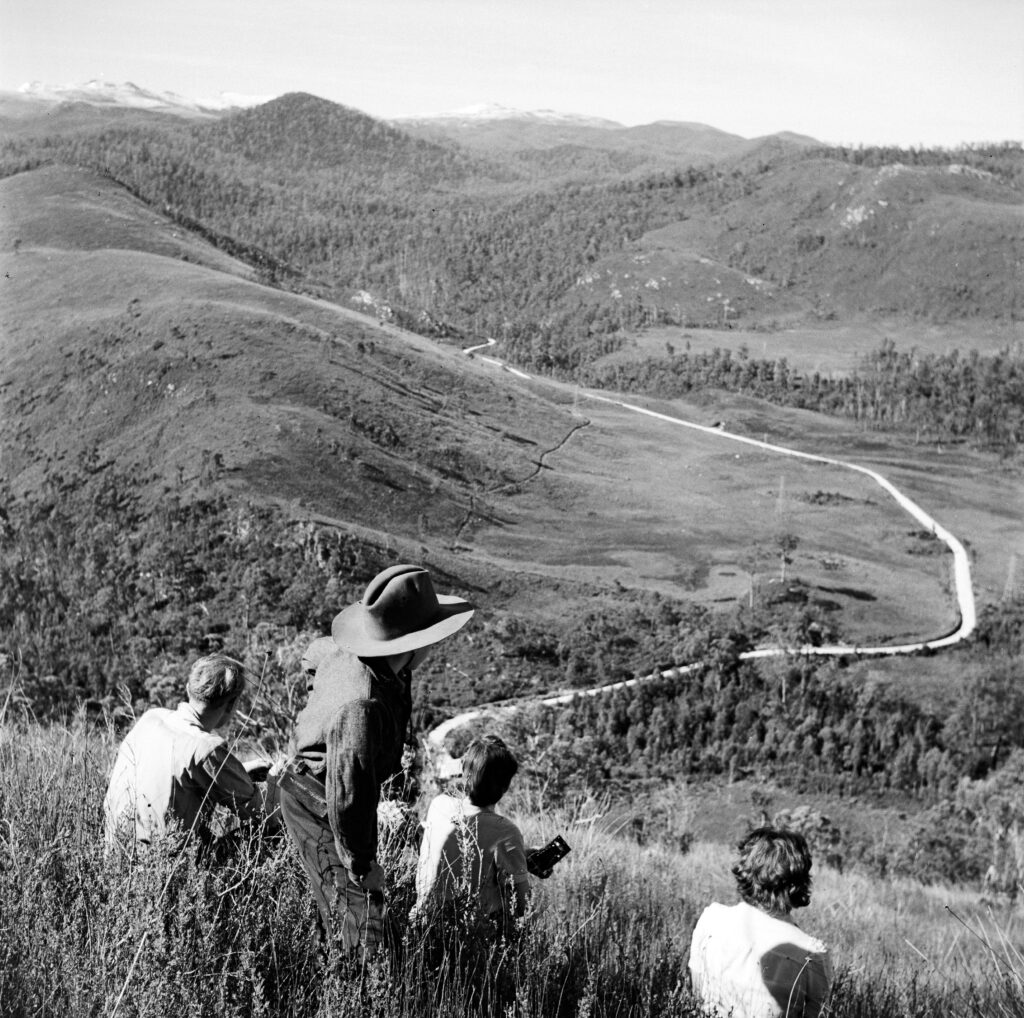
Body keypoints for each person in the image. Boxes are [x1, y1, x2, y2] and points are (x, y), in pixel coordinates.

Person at [278, 564, 475, 955]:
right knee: (361, 911)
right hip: (316, 799)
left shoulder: (379, 662)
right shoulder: (361, 707)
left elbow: (314, 653)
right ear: (412, 643)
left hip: (331, 790)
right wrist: (363, 865)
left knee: (341, 902)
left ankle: (333, 960)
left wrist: (318, 700)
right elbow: (347, 798)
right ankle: (357, 980)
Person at [103, 654, 270, 852]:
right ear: (232, 704)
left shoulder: (151, 717)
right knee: (273, 829)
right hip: (163, 862)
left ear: (188, 688)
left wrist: (241, 771)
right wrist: (277, 781)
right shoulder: (206, 747)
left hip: (115, 852)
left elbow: (171, 774)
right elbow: (261, 811)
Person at [688, 827, 833, 1018]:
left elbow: (697, 992)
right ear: (798, 882)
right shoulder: (812, 953)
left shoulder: (712, 919)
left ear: (747, 872)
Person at [414, 734, 532, 936]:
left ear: (463, 771)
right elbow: (522, 906)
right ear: (505, 786)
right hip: (469, 935)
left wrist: (522, 855)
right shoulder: (505, 831)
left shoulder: (439, 805)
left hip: (424, 923)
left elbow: (463, 849)